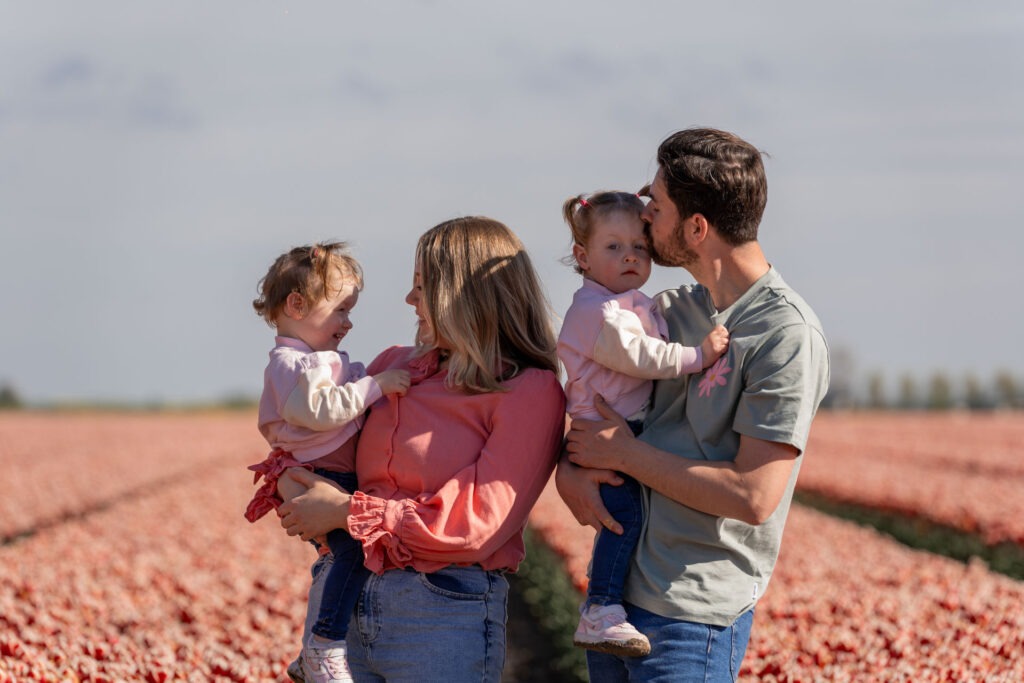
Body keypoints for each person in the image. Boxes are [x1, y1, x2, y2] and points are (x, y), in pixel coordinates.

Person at [557, 128, 830, 682]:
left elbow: (754, 497)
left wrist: (628, 457)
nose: (642, 213)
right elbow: (598, 406)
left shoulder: (783, 334)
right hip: (616, 600)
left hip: (691, 614)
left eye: (655, 205)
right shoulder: (668, 309)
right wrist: (569, 469)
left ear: (696, 228)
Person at [277, 217, 567, 683]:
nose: (410, 300)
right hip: (344, 607)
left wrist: (346, 511)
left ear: (466, 294)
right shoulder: (392, 366)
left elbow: (475, 525)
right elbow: (326, 447)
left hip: (440, 615)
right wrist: (293, 480)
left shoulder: (527, 390)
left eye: (421, 286)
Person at [556, 191, 729, 658]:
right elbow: (639, 357)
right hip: (605, 433)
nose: (630, 255)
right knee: (624, 518)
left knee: (628, 517)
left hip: (623, 429)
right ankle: (600, 609)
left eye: (640, 246)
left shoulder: (628, 302)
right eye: (613, 247)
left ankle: (608, 603)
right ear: (582, 257)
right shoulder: (597, 312)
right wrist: (698, 356)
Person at [244, 241, 411, 683]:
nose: (348, 321)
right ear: (296, 305)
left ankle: (313, 651)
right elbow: (319, 411)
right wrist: (374, 387)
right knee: (353, 553)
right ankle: (324, 644)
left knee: (341, 559)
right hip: (322, 476)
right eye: (340, 309)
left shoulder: (319, 360)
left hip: (334, 473)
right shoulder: (289, 363)